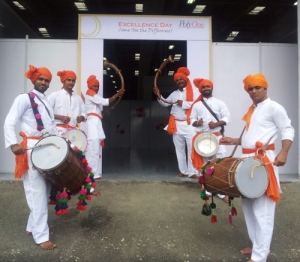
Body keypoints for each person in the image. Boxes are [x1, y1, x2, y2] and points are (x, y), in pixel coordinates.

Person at [220, 73, 294, 262]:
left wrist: (284, 151)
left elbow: (288, 129)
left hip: (262, 162)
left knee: (263, 210)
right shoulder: (253, 109)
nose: (253, 91)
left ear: (265, 88)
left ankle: (260, 256)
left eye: (257, 88)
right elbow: (251, 138)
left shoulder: (274, 107)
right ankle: (258, 246)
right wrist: (233, 141)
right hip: (246, 161)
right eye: (250, 89)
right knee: (249, 206)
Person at [4, 65, 58, 250]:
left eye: (47, 80)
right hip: (31, 148)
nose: (43, 82)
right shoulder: (23, 98)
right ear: (34, 80)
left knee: (45, 189)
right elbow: (9, 121)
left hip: (48, 148)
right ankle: (41, 236)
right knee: (36, 191)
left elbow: (51, 126)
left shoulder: (47, 102)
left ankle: (32, 226)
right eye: (41, 79)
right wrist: (13, 144)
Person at [153, 67, 199, 179]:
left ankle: (192, 172)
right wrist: (158, 95)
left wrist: (183, 103)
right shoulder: (174, 94)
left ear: (185, 80)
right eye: (177, 80)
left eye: (181, 79)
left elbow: (196, 105)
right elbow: (165, 103)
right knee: (179, 149)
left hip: (189, 125)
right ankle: (183, 171)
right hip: (176, 124)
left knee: (191, 148)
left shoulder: (194, 92)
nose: (179, 81)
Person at [190, 78, 230, 202]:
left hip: (216, 136)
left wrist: (216, 123)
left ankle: (221, 192)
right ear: (201, 90)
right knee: (206, 164)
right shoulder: (196, 105)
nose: (206, 88)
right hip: (203, 138)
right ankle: (208, 188)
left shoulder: (219, 103)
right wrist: (197, 122)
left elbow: (227, 117)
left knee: (220, 163)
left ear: (211, 88)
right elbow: (191, 120)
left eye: (208, 86)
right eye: (204, 87)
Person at [85, 75, 125, 180]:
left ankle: (96, 173)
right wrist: (118, 94)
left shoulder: (92, 95)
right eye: (95, 86)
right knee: (93, 148)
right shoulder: (90, 93)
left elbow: (96, 110)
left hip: (96, 122)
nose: (96, 88)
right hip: (92, 123)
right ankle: (91, 173)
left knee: (97, 148)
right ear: (90, 86)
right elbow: (105, 102)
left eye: (97, 86)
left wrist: (102, 113)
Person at [47, 70, 86, 135]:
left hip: (74, 132)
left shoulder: (78, 98)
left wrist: (82, 117)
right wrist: (61, 118)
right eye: (69, 80)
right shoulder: (55, 95)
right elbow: (46, 113)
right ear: (64, 81)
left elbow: (84, 112)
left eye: (73, 81)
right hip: (58, 131)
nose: (71, 82)